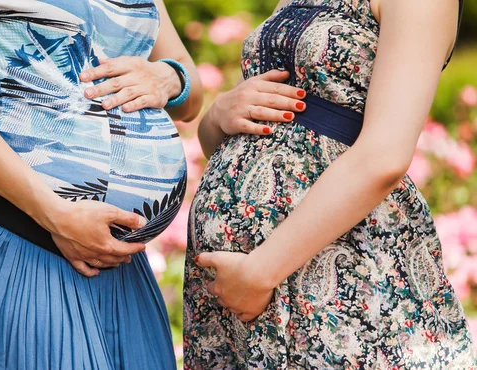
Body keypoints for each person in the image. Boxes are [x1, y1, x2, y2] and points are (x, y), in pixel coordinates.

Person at [0, 0, 202, 368]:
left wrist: (170, 78)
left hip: (116, 259)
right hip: (10, 228)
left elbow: (190, 96)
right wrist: (55, 213)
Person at [184, 0, 476, 368]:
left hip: (332, 272)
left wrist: (261, 271)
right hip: (238, 292)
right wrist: (218, 114)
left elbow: (384, 154)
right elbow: (235, 140)